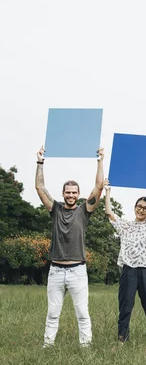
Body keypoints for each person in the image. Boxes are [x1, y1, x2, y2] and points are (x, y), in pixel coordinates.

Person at [35, 145, 104, 348]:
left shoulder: (85, 210)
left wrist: (100, 160)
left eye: (74, 192)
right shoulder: (55, 209)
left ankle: (86, 348)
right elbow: (40, 188)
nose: (71, 195)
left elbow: (99, 187)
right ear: (63, 193)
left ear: (79, 193)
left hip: (77, 271)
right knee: (52, 313)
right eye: (68, 192)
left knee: (82, 314)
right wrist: (40, 162)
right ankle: (48, 346)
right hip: (56, 270)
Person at [104, 179, 146, 348]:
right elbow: (109, 213)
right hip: (128, 271)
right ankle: (122, 340)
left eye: (145, 208)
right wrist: (108, 191)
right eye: (139, 206)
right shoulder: (125, 226)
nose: (141, 209)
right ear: (135, 207)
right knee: (125, 307)